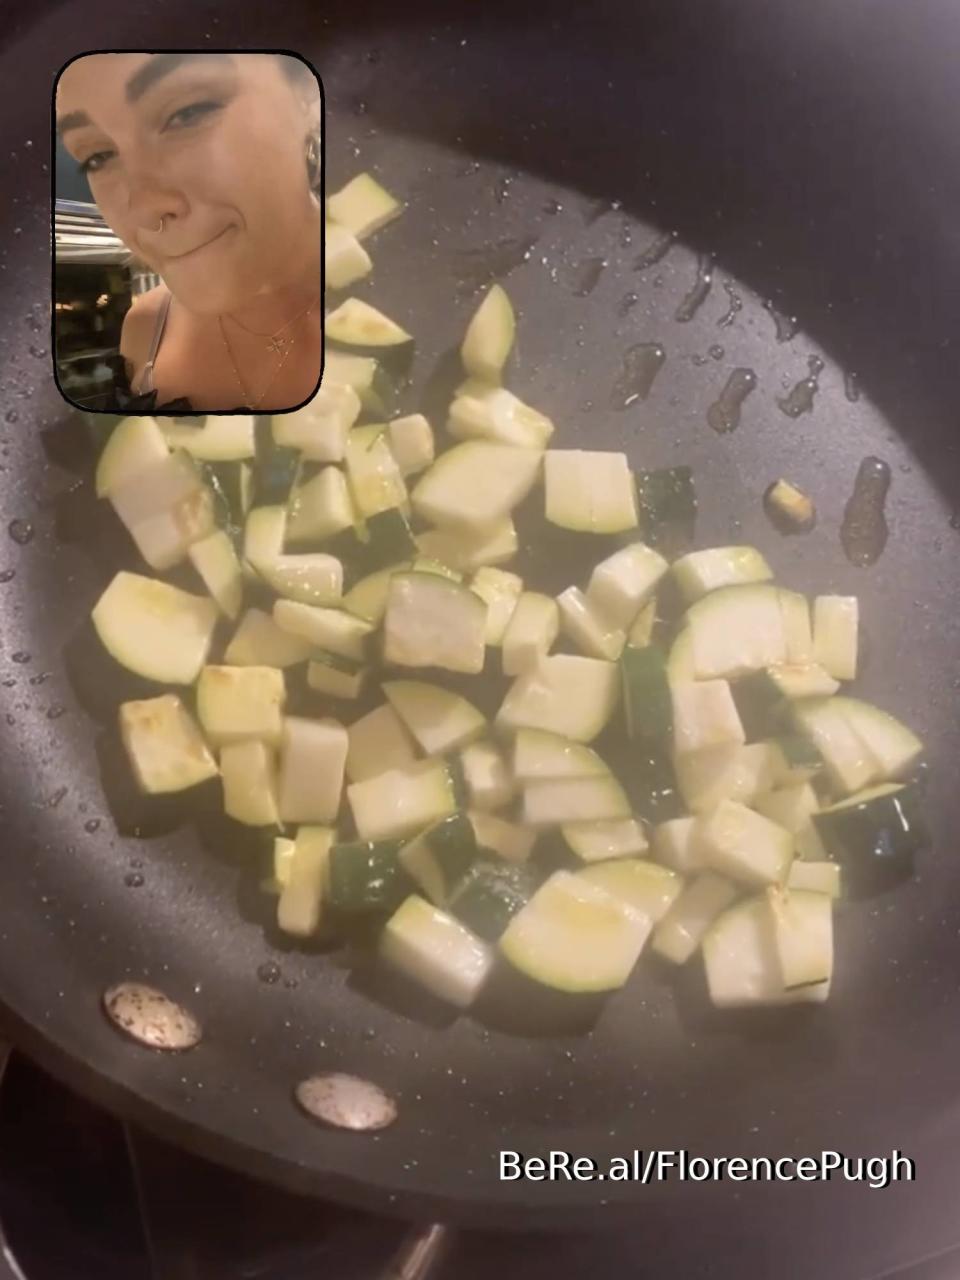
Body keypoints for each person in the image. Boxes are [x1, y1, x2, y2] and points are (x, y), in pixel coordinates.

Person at [56, 51, 323, 413]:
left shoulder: (408, 276)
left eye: (187, 113)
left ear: (308, 95)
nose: (145, 210)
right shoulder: (147, 329)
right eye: (97, 157)